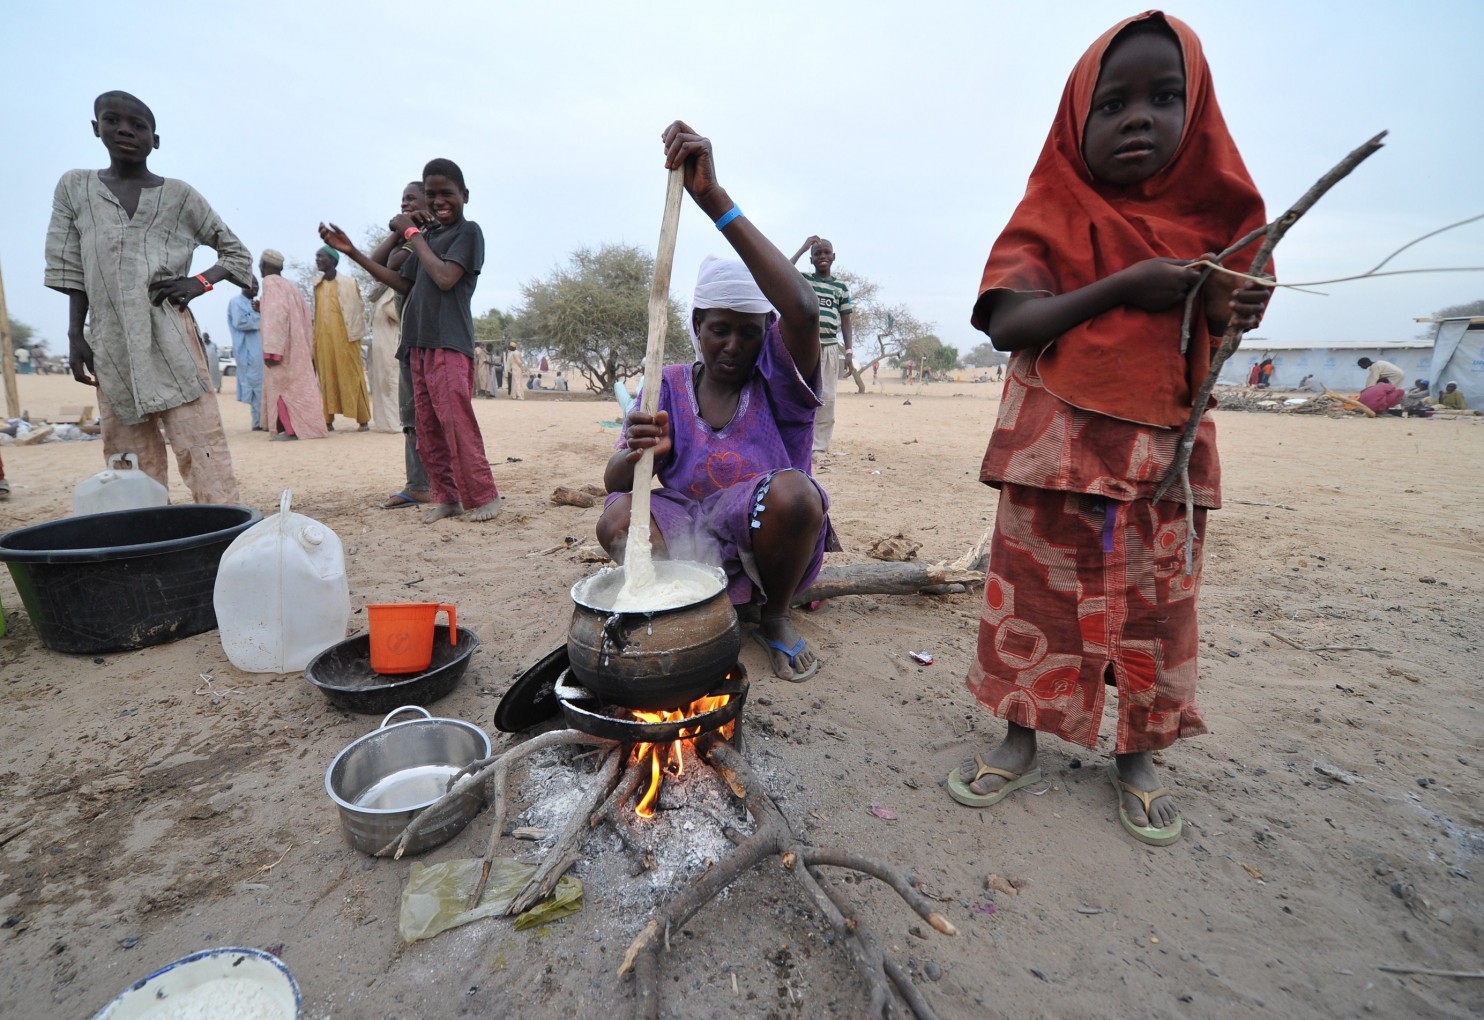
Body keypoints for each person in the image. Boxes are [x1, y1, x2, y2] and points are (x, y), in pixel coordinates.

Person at [951, 13, 1272, 847]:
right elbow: (1010, 322)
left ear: (1196, 112)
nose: (1139, 117)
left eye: (1165, 98)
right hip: (1052, 451)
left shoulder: (1217, 219)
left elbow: (1227, 321)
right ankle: (1019, 736)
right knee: (1033, 595)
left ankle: (1137, 754)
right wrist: (1126, 284)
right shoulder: (1053, 207)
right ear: (1074, 122)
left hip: (1161, 459)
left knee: (1155, 608)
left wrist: (1226, 303)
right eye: (1114, 103)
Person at [597, 120, 834, 683]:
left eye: (749, 332)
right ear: (697, 324)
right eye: (720, 330)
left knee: (797, 496)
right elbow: (612, 480)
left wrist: (713, 199)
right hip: (687, 536)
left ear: (766, 332)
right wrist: (638, 453)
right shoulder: (668, 383)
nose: (734, 346)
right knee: (618, 518)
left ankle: (772, 617)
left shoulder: (777, 380)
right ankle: (689, 603)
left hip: (764, 534)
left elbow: (803, 308)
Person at [45, 91, 249, 502]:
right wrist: (74, 335)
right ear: (95, 128)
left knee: (200, 441)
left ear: (155, 139)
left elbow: (236, 255)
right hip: (111, 341)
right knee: (129, 454)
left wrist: (199, 282)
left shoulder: (180, 196)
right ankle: (144, 536)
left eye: (138, 125)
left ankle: (223, 528)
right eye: (112, 120)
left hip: (172, 335)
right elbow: (72, 269)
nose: (124, 130)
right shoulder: (75, 188)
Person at [320, 158, 502, 523]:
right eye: (431, 195)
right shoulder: (429, 237)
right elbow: (402, 281)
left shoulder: (468, 233)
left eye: (446, 193)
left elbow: (446, 277)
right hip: (417, 343)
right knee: (427, 429)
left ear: (464, 195)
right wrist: (352, 251)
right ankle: (447, 497)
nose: (438, 201)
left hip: (449, 343)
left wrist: (413, 234)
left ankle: (485, 496)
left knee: (456, 422)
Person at [364, 181, 432, 506]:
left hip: (431, 338)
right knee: (411, 415)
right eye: (402, 200)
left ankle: (437, 484)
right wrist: (397, 230)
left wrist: (407, 230)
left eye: (411, 199)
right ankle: (418, 483)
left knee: (430, 414)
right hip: (410, 339)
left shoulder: (429, 239)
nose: (404, 204)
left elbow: (389, 266)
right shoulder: (408, 240)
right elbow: (376, 262)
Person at [789, 236, 855, 453]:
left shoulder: (841, 288)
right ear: (811, 259)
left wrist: (849, 351)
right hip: (804, 347)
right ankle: (798, 442)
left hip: (828, 348)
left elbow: (845, 321)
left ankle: (818, 448)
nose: (823, 256)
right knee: (799, 393)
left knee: (826, 398)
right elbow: (784, 270)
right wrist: (803, 247)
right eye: (817, 253)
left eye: (826, 253)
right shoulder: (804, 280)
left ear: (833, 257)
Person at [258, 250, 327, 441]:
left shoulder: (270, 283)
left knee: (284, 388)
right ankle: (303, 428)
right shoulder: (289, 285)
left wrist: (272, 350)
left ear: (262, 266)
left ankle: (292, 430)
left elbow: (276, 316)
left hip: (283, 349)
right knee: (299, 387)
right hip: (299, 346)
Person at [311, 246, 371, 431]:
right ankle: (327, 421)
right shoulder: (317, 284)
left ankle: (363, 420)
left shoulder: (349, 282)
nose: (317, 260)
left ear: (332, 261)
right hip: (323, 340)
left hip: (347, 340)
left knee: (352, 376)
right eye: (316, 256)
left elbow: (357, 310)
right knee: (327, 378)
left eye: (320, 256)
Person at [227, 277, 265, 430]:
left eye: (257, 284)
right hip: (249, 353)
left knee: (262, 387)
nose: (256, 287)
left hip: (259, 352)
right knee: (256, 388)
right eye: (252, 284)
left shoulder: (255, 303)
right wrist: (262, 315)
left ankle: (262, 421)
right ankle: (258, 423)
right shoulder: (237, 302)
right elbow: (241, 322)